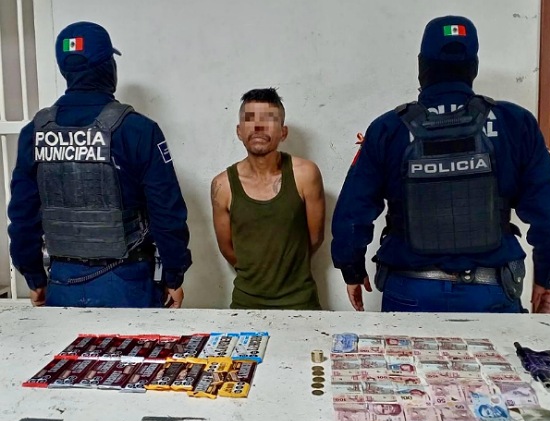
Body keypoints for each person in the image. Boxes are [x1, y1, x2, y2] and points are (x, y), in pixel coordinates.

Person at [331, 15, 550, 314]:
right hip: (490, 290)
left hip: (411, 289)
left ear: (422, 66)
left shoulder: (388, 128)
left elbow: (352, 212)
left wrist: (351, 269)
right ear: (473, 66)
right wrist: (549, 276)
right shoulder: (515, 123)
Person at [8, 22, 191, 308]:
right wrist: (174, 275)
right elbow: (166, 210)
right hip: (127, 282)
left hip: (62, 282)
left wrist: (34, 278)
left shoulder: (35, 132)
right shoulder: (138, 130)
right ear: (108, 67)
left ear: (65, 70)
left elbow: (22, 216)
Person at [211, 88, 325, 309]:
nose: (258, 126)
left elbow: (315, 239)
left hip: (300, 301)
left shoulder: (305, 174)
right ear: (239, 131)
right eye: (250, 119)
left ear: (283, 132)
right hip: (246, 303)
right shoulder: (222, 185)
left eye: (268, 119)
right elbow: (227, 248)